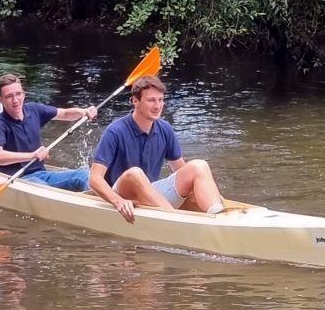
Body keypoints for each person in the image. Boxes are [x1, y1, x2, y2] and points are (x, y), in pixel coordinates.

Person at [88, 75, 225, 223]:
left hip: (151, 193)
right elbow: (94, 179)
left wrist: (210, 190)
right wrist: (118, 202)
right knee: (135, 173)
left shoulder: (165, 129)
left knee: (199, 166)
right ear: (136, 101)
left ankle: (219, 217)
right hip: (122, 195)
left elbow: (182, 171)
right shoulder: (115, 131)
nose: (157, 106)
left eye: (160, 100)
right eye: (151, 100)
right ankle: (176, 221)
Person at [0, 72, 98, 191]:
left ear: (23, 94)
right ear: (0, 100)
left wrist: (83, 112)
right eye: (9, 96)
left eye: (18, 94)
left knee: (84, 175)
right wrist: (31, 156)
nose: (15, 100)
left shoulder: (34, 109)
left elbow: (65, 114)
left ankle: (97, 201)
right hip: (17, 178)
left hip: (41, 174)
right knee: (43, 188)